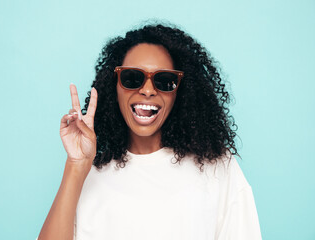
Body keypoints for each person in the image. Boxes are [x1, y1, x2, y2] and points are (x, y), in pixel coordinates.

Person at [38, 23, 262, 240]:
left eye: (164, 81)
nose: (147, 90)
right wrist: (75, 166)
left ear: (179, 92)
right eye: (132, 78)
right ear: (114, 86)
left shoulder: (217, 169)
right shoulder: (87, 176)